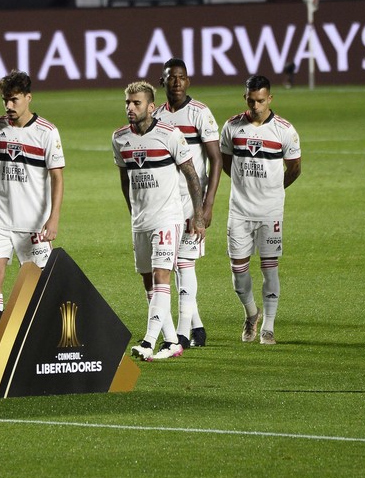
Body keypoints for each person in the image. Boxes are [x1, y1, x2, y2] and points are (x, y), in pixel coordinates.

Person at [114, 81, 205, 362]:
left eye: (136, 103)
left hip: (168, 218)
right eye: (128, 102)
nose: (130, 107)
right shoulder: (119, 138)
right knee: (148, 283)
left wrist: (199, 216)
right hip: (141, 221)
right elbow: (124, 179)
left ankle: (148, 341)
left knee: (161, 276)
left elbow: (192, 175)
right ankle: (171, 341)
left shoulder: (170, 135)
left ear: (151, 107)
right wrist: (134, 212)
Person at [219, 74, 301, 345]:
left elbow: (295, 168)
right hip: (239, 211)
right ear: (245, 98)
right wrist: (246, 187)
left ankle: (268, 325)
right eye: (252, 100)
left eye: (261, 101)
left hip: (270, 212)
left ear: (270, 99)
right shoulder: (231, 127)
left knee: (270, 268)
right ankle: (251, 313)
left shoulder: (285, 130)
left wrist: (274, 190)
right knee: (238, 270)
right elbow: (226, 163)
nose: (256, 106)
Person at [0, 69, 65, 311]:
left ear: (28, 97)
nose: (8, 105)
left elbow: (57, 176)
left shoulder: (46, 132)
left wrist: (53, 217)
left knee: (40, 285)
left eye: (14, 99)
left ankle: (39, 338)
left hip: (33, 223)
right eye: (5, 99)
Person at [152, 58, 222, 348]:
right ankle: (198, 328)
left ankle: (181, 334)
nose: (177, 82)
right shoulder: (157, 117)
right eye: (172, 78)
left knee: (186, 265)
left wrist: (207, 205)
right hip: (167, 204)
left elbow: (216, 160)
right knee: (174, 266)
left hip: (192, 201)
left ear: (188, 81)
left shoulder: (200, 113)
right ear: (163, 82)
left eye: (181, 77)